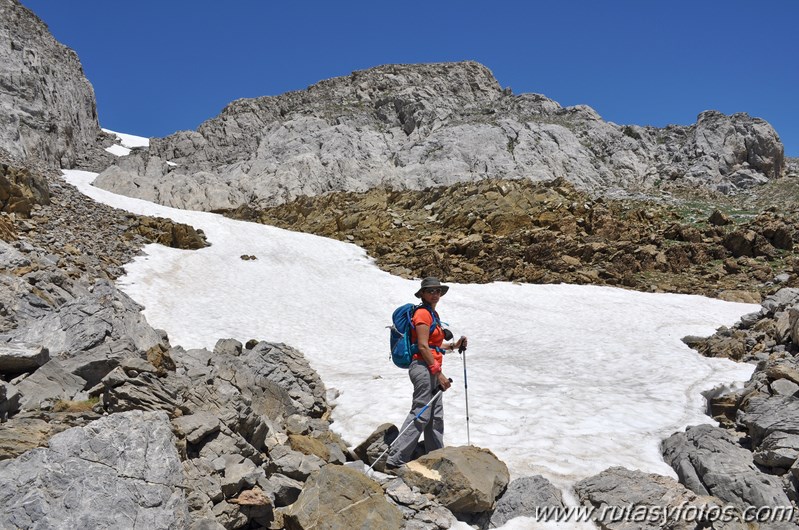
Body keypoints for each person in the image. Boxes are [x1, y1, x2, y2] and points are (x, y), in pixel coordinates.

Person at [386, 277, 467, 469]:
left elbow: (433, 345)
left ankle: (435, 457)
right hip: (423, 368)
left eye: (438, 291)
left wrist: (455, 346)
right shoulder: (422, 313)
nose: (435, 294)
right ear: (422, 293)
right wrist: (438, 374)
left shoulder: (432, 314)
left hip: (430, 366)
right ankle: (395, 459)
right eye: (430, 291)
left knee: (435, 415)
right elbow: (422, 346)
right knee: (421, 412)